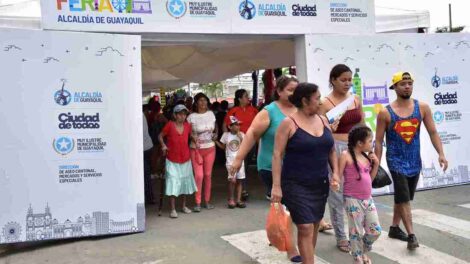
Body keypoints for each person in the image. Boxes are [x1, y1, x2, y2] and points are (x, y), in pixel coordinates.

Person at [230, 75, 301, 262]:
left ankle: (276, 232)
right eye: (290, 90)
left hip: (295, 167)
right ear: (279, 91)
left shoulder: (301, 110)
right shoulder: (269, 112)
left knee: (282, 205)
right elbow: (252, 135)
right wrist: (238, 160)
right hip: (271, 167)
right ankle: (291, 247)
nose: (294, 93)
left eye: (297, 89)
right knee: (288, 206)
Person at [375, 71, 448, 250]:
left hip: (414, 160)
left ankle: (393, 228)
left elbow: (433, 132)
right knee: (404, 198)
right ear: (394, 87)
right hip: (396, 160)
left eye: (409, 83)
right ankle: (411, 235)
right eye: (403, 83)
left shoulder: (422, 108)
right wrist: (376, 163)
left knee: (403, 197)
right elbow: (378, 140)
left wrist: (441, 153)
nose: (407, 86)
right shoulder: (385, 113)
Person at [271, 83, 338, 264]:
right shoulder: (288, 123)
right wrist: (276, 186)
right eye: (317, 98)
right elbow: (277, 155)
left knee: (314, 225)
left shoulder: (323, 120)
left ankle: (308, 259)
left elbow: (331, 149)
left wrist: (336, 174)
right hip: (295, 184)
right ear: (305, 100)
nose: (321, 101)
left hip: (320, 183)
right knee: (305, 226)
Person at [319, 64, 364, 251]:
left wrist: (365, 149)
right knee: (336, 194)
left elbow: (361, 124)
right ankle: (341, 236)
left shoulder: (355, 99)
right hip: (335, 148)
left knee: (357, 192)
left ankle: (358, 231)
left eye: (349, 80)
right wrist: (330, 128)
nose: (347, 83)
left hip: (355, 149)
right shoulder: (325, 103)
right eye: (343, 80)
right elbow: (319, 129)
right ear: (333, 80)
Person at [332, 125, 381, 264]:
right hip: (352, 199)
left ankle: (362, 251)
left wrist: (375, 164)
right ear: (360, 143)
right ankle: (358, 258)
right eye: (370, 140)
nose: (372, 143)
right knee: (356, 233)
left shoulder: (367, 156)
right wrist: (335, 183)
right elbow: (338, 175)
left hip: (367, 198)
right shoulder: (345, 155)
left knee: (375, 230)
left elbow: (369, 180)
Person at [159, 105, 198, 218]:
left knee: (184, 182)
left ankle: (184, 206)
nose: (182, 116)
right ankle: (173, 209)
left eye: (184, 114)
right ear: (175, 115)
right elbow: (160, 136)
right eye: (180, 114)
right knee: (173, 182)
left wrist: (194, 138)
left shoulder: (187, 126)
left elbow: (190, 135)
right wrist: (163, 145)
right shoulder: (170, 125)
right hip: (172, 159)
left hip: (185, 158)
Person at [225, 89, 259, 200]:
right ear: (239, 99)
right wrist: (228, 139)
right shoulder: (234, 111)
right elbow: (226, 125)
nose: (248, 98)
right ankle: (243, 190)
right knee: (241, 164)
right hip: (238, 143)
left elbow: (259, 124)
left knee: (246, 165)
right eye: (245, 96)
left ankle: (242, 187)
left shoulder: (253, 110)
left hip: (251, 141)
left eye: (247, 96)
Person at [187, 93, 218, 212]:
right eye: (200, 100)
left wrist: (216, 134)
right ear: (196, 103)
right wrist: (192, 137)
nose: (203, 103)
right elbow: (188, 132)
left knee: (208, 175)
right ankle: (198, 202)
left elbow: (215, 128)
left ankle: (207, 201)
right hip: (196, 149)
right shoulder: (191, 117)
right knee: (199, 176)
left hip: (210, 147)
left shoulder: (211, 114)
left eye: (205, 100)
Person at [215, 116, 246, 209]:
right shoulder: (226, 135)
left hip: (240, 160)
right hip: (230, 161)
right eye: (236, 125)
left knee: (240, 180)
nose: (238, 127)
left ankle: (238, 200)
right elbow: (223, 147)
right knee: (232, 180)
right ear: (230, 126)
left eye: (238, 125)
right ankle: (231, 199)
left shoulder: (242, 134)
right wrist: (215, 141)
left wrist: (241, 138)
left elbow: (245, 146)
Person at [143, 113, 155, 205]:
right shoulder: (141, 113)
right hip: (147, 146)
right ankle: (150, 197)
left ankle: (149, 198)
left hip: (143, 148)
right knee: (146, 174)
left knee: (145, 174)